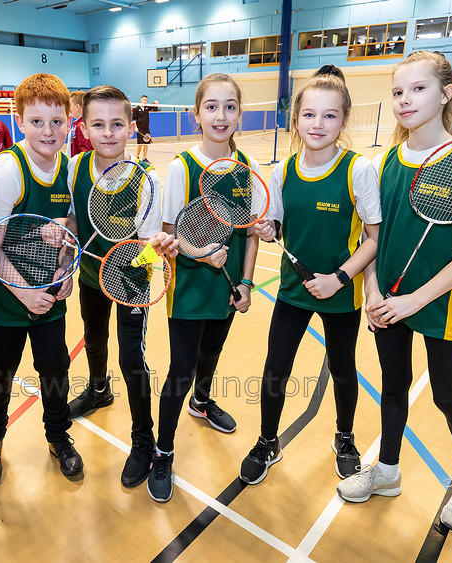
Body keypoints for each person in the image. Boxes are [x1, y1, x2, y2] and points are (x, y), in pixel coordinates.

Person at [336, 50, 452, 533]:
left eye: (418, 88)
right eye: (397, 91)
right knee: (392, 387)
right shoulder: (384, 161)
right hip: (388, 300)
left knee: (447, 396)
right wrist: (371, 289)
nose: (405, 100)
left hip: (438, 303)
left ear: (446, 93)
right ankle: (386, 471)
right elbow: (375, 237)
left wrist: (416, 299)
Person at [239, 65, 381, 486]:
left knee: (343, 370)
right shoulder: (282, 171)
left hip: (340, 293)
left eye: (329, 115)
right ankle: (268, 441)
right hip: (292, 291)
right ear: (296, 118)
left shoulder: (358, 170)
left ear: (344, 119)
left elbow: (374, 239)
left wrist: (339, 277)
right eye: (309, 115)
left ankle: (345, 437)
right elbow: (277, 228)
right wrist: (267, 230)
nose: (318, 124)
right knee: (275, 369)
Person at [147, 73, 258, 503]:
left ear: (239, 114)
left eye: (230, 106)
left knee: (211, 355)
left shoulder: (246, 167)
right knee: (180, 370)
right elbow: (170, 237)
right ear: (197, 115)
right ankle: (163, 451)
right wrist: (200, 253)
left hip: (227, 288)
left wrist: (246, 283)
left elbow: (249, 234)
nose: (221, 115)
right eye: (211, 106)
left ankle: (203, 402)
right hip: (190, 288)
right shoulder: (182, 168)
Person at [0, 73, 82, 483]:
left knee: (55, 371)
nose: (48, 131)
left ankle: (59, 437)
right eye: (37, 122)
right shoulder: (3, 173)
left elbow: (70, 230)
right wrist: (24, 293)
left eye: (56, 121)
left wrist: (65, 266)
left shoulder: (69, 170)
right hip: (2, 302)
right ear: (18, 121)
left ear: (69, 120)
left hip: (49, 298)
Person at [65, 84, 175, 487]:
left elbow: (149, 244)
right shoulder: (74, 168)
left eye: (116, 124)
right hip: (91, 276)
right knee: (93, 339)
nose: (108, 133)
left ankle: (143, 439)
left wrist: (148, 254)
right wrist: (64, 234)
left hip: (130, 280)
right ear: (85, 128)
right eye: (98, 124)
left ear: (131, 127)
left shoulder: (146, 179)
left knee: (132, 360)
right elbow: (77, 222)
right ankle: (97, 390)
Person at [132, 94, 159, 163]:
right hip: (140, 128)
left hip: (146, 128)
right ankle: (137, 157)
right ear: (141, 100)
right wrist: (135, 127)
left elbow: (155, 109)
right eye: (144, 100)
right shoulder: (136, 109)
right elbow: (133, 119)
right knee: (140, 144)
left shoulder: (147, 108)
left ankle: (144, 158)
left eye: (146, 100)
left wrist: (156, 104)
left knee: (146, 144)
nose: (145, 101)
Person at [69, 90, 93, 157]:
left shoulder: (82, 125)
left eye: (70, 105)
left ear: (77, 107)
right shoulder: (77, 124)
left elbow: (86, 150)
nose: (70, 109)